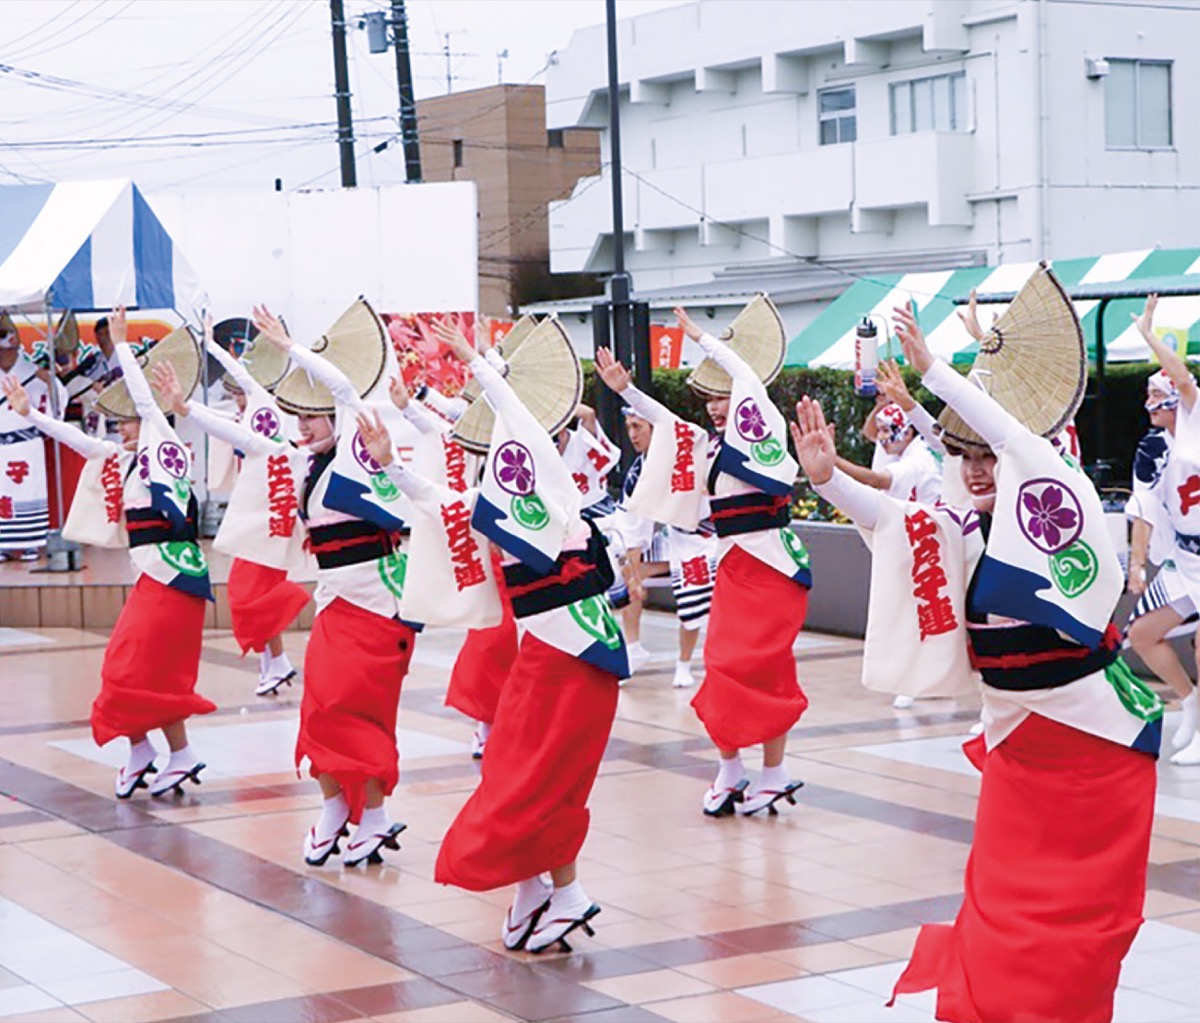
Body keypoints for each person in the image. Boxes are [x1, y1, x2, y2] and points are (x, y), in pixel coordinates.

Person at [792, 290, 1161, 1023]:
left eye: (987, 451)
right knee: (996, 925)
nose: (978, 467)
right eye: (962, 454)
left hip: (1096, 760)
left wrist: (937, 373)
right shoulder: (969, 527)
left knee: (1073, 944)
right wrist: (827, 476)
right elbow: (900, 525)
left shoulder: (1067, 503)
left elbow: (1026, 447)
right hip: (1019, 757)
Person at [431, 321, 627, 955]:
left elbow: (516, 417)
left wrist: (482, 362)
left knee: (532, 780)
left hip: (568, 650)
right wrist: (389, 462)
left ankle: (561, 894)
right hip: (555, 649)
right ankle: (539, 894)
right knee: (530, 777)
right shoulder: (499, 483)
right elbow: (441, 498)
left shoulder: (550, 470)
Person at [596, 306, 812, 818]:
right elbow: (668, 425)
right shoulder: (711, 449)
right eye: (710, 397)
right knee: (720, 667)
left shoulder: (766, 432)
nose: (716, 406)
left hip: (774, 566)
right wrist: (625, 390)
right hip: (734, 564)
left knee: (765, 669)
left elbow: (745, 380)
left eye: (724, 396)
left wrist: (701, 338)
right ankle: (732, 768)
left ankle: (773, 773)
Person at [2, 307, 216, 798]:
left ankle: (169, 753)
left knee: (131, 671)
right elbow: (79, 438)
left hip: (175, 580)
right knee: (140, 671)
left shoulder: (167, 452)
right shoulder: (129, 458)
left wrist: (120, 346)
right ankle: (156, 752)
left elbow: (145, 405)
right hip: (155, 578)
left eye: (128, 422)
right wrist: (31, 414)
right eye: (117, 423)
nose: (120, 429)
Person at [253, 305, 423, 868]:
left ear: (336, 418)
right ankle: (336, 809)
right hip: (336, 602)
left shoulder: (357, 451)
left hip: (379, 604)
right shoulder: (311, 467)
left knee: (362, 714)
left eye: (312, 416)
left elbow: (347, 390)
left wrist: (290, 346)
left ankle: (369, 818)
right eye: (297, 417)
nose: (302, 426)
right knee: (320, 710)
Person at [197, 319, 309, 696]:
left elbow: (246, 382)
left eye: (241, 392)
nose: (239, 399)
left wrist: (213, 348)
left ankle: (277, 657)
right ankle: (273, 663)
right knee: (254, 596)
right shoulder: (251, 417)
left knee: (247, 596)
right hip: (263, 520)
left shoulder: (266, 410)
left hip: (269, 522)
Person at [1123, 296, 1200, 765]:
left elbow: (1187, 379)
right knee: (1144, 633)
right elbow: (1144, 507)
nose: (1149, 405)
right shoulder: (1151, 447)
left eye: (1156, 395)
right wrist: (1136, 562)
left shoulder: (1197, 423)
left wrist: (1150, 337)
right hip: (1185, 558)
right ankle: (1188, 703)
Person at [614, 408, 717, 689]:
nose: (632, 435)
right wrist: (632, 577)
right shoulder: (638, 472)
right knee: (623, 570)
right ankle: (633, 647)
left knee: (691, 592)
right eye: (629, 427)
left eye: (638, 427)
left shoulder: (690, 454)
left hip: (708, 538)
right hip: (675, 536)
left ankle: (684, 663)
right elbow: (632, 531)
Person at [0, 313, 66, 561]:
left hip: (27, 443)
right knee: (2, 494)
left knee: (29, 490)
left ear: (17, 348)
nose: (3, 354)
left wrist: (49, 379)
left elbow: (57, 403)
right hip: (1, 445)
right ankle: (4, 543)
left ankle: (30, 542)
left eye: (7, 349)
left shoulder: (33, 373)